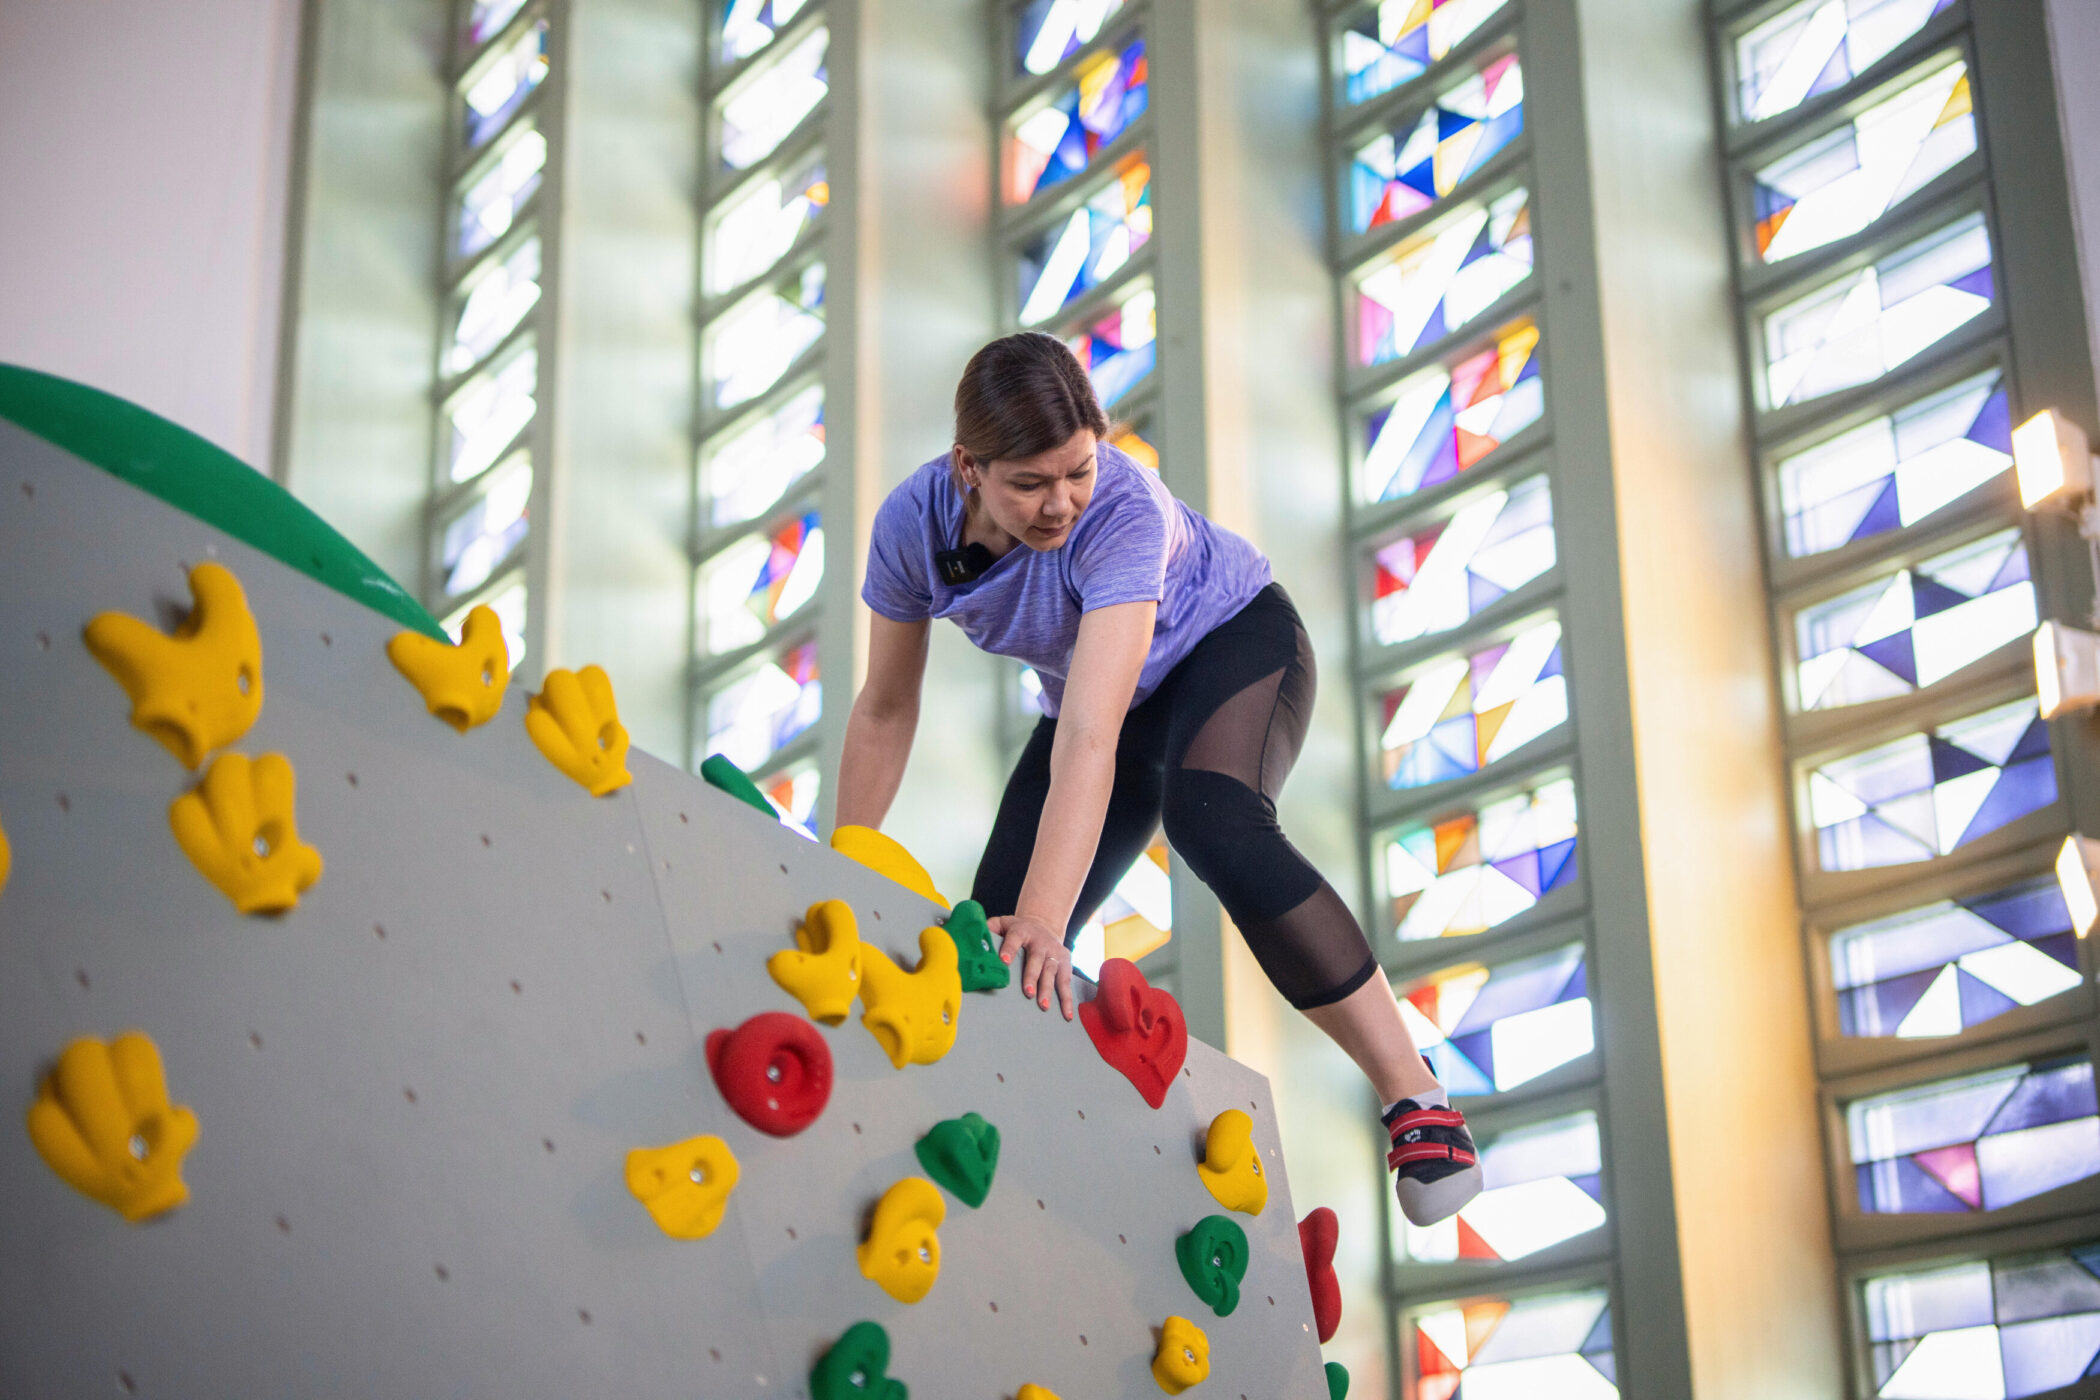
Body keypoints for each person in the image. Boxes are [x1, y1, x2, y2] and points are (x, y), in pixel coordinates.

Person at [835, 332, 1481, 1226]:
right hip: (1107, 702)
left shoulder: (1122, 508)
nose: (1061, 503)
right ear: (967, 469)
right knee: (989, 945)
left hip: (1230, 644)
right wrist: (841, 862)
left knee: (1209, 818)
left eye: (1078, 470)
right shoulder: (911, 528)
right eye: (1030, 483)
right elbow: (883, 709)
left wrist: (1050, 921)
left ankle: (1419, 1100)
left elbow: (1089, 738)